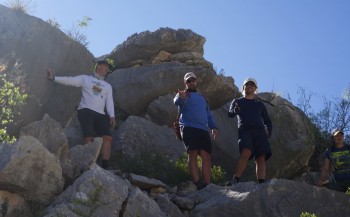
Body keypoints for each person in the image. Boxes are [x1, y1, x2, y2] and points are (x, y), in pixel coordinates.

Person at [47, 60, 116, 169]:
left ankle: (105, 167)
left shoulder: (107, 86)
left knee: (108, 137)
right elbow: (70, 81)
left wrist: (112, 116)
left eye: (108, 68)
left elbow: (109, 102)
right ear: (99, 67)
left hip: (100, 114)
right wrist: (54, 78)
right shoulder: (85, 79)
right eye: (106, 67)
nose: (107, 70)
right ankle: (88, 165)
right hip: (85, 110)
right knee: (89, 137)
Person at [173, 72, 219, 190]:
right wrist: (180, 96)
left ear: (196, 81)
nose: (191, 82)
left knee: (206, 155)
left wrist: (213, 127)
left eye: (193, 80)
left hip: (203, 129)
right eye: (189, 81)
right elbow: (176, 101)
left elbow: (208, 114)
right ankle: (197, 182)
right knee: (192, 153)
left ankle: (207, 184)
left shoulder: (202, 98)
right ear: (185, 83)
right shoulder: (184, 95)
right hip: (188, 127)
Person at [227, 77, 272, 185]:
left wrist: (268, 131)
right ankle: (235, 179)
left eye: (252, 85)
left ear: (255, 88)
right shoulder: (237, 101)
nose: (250, 86)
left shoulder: (259, 104)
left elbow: (267, 120)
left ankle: (261, 183)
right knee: (246, 152)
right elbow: (230, 114)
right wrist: (235, 110)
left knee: (261, 157)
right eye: (247, 84)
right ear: (244, 87)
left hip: (260, 132)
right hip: (245, 130)